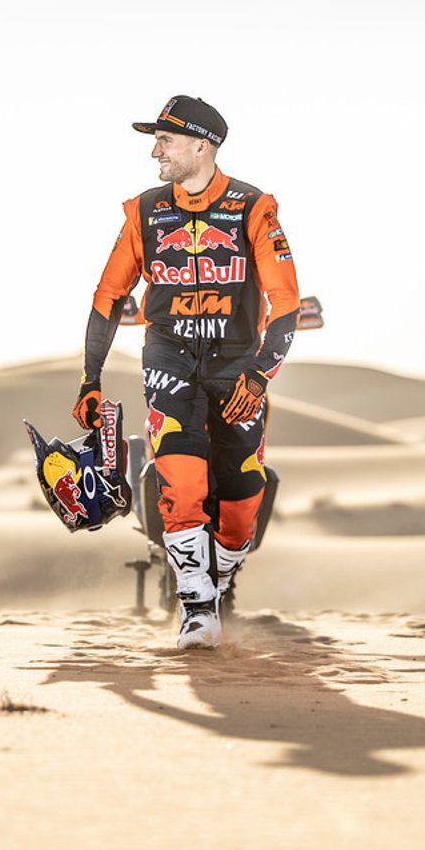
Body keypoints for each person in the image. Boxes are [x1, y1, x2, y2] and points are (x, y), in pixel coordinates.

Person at [75, 95, 300, 650]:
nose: (155, 151)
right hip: (169, 360)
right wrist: (90, 377)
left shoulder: (254, 208)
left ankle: (218, 583)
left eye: (165, 140)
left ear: (202, 146)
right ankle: (196, 609)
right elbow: (108, 294)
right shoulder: (144, 212)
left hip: (238, 369)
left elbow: (286, 301)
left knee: (242, 504)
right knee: (181, 483)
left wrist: (260, 374)